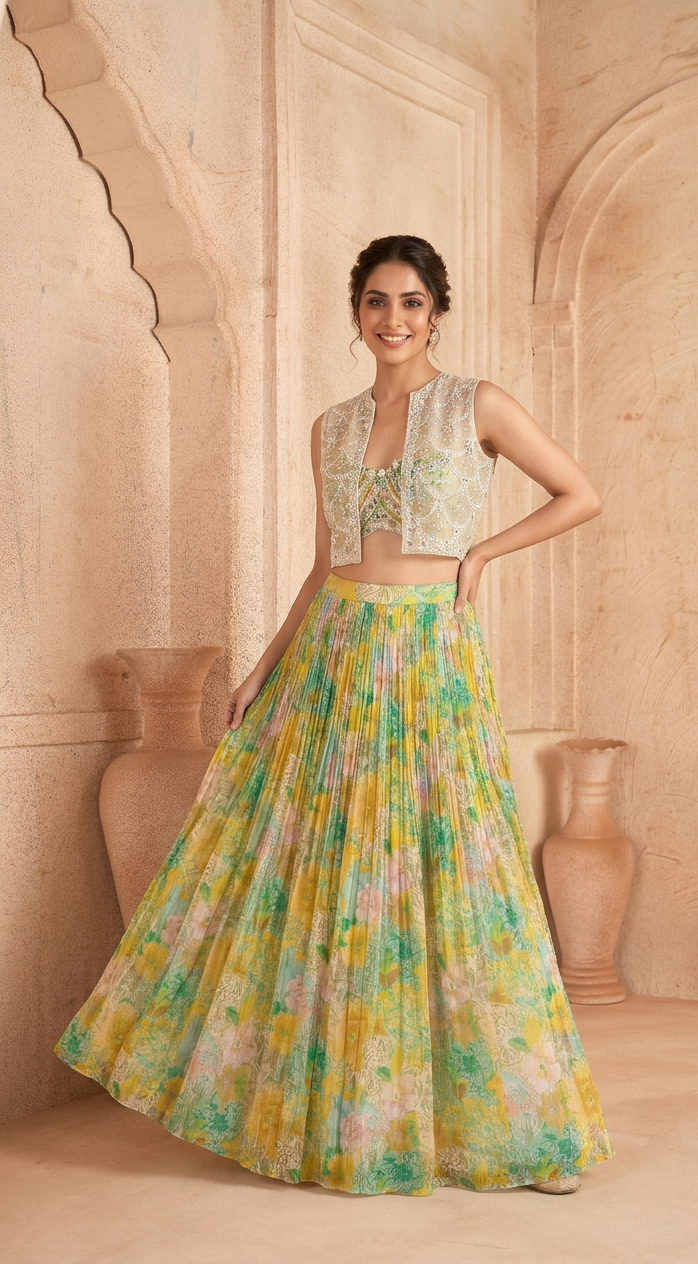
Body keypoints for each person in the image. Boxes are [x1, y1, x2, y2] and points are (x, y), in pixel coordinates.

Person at [56, 235, 613, 1197]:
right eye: (375, 302)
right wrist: (261, 671)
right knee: (331, 874)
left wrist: (482, 554)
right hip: (335, 655)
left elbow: (580, 493)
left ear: (436, 312)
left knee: (459, 867)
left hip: (430, 659)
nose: (393, 319)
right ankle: (343, 1114)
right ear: (356, 312)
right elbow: (325, 567)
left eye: (410, 302)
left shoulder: (475, 405)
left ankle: (522, 1126)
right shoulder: (333, 427)